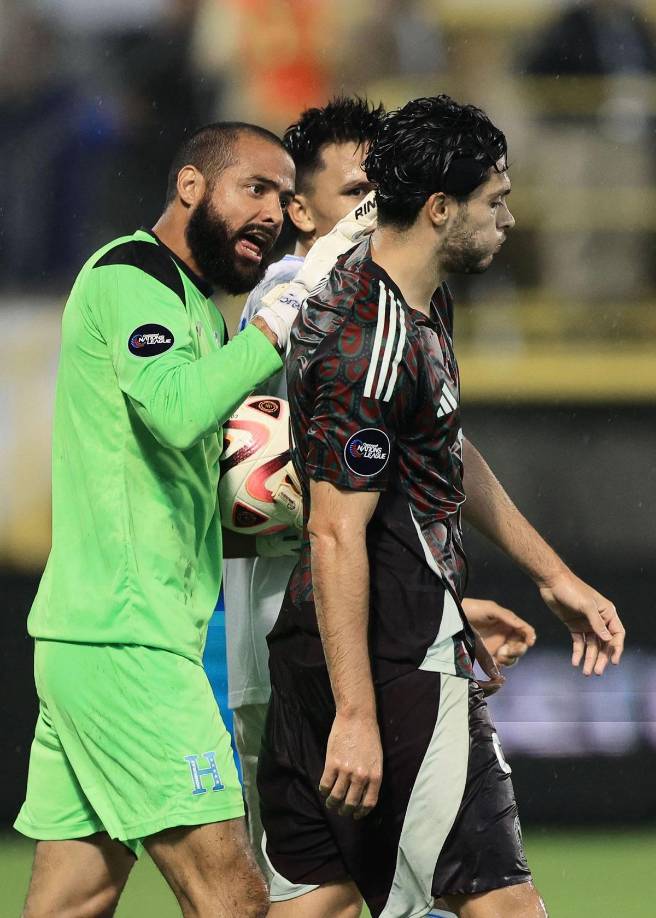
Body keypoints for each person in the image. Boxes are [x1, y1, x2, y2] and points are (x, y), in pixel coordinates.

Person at [258, 95, 625, 918]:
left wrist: (552, 575)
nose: (508, 219)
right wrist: (359, 714)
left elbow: (444, 441)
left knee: (318, 901)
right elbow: (334, 531)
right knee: (505, 906)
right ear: (438, 208)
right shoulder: (367, 341)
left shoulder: (413, 303)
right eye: (494, 200)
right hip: (390, 664)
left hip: (335, 648)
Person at [221, 96, 536, 884]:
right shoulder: (298, 294)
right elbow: (312, 512)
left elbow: (414, 470)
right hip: (305, 645)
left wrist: (446, 603)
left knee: (331, 893)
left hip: (355, 635)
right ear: (302, 211)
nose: (371, 210)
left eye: (380, 190)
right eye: (357, 193)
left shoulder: (396, 305)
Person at [13, 121, 308, 918]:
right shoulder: (132, 275)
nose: (273, 213)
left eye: (284, 198)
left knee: (70, 902)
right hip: (129, 643)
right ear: (190, 187)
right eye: (255, 188)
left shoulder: (197, 311)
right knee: (232, 897)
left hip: (95, 640)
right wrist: (272, 329)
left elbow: (180, 478)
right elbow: (177, 413)